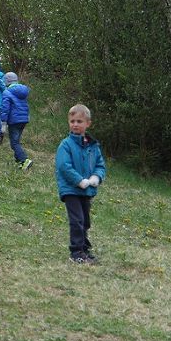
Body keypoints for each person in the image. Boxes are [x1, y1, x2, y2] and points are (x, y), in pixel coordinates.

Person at [55, 104, 107, 264]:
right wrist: (79, 180)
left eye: (79, 121)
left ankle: (84, 248)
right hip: (71, 189)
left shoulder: (93, 146)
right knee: (76, 220)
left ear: (88, 123)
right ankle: (76, 252)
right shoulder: (66, 145)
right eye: (72, 121)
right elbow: (64, 166)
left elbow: (100, 165)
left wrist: (96, 177)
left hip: (87, 190)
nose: (75, 124)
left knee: (85, 220)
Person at [0, 72, 33, 170]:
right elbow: (26, 106)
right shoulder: (23, 91)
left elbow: (5, 109)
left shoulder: (7, 92)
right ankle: (20, 162)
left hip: (14, 121)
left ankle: (24, 160)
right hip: (24, 120)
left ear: (7, 81)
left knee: (14, 143)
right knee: (16, 141)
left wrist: (3, 123)